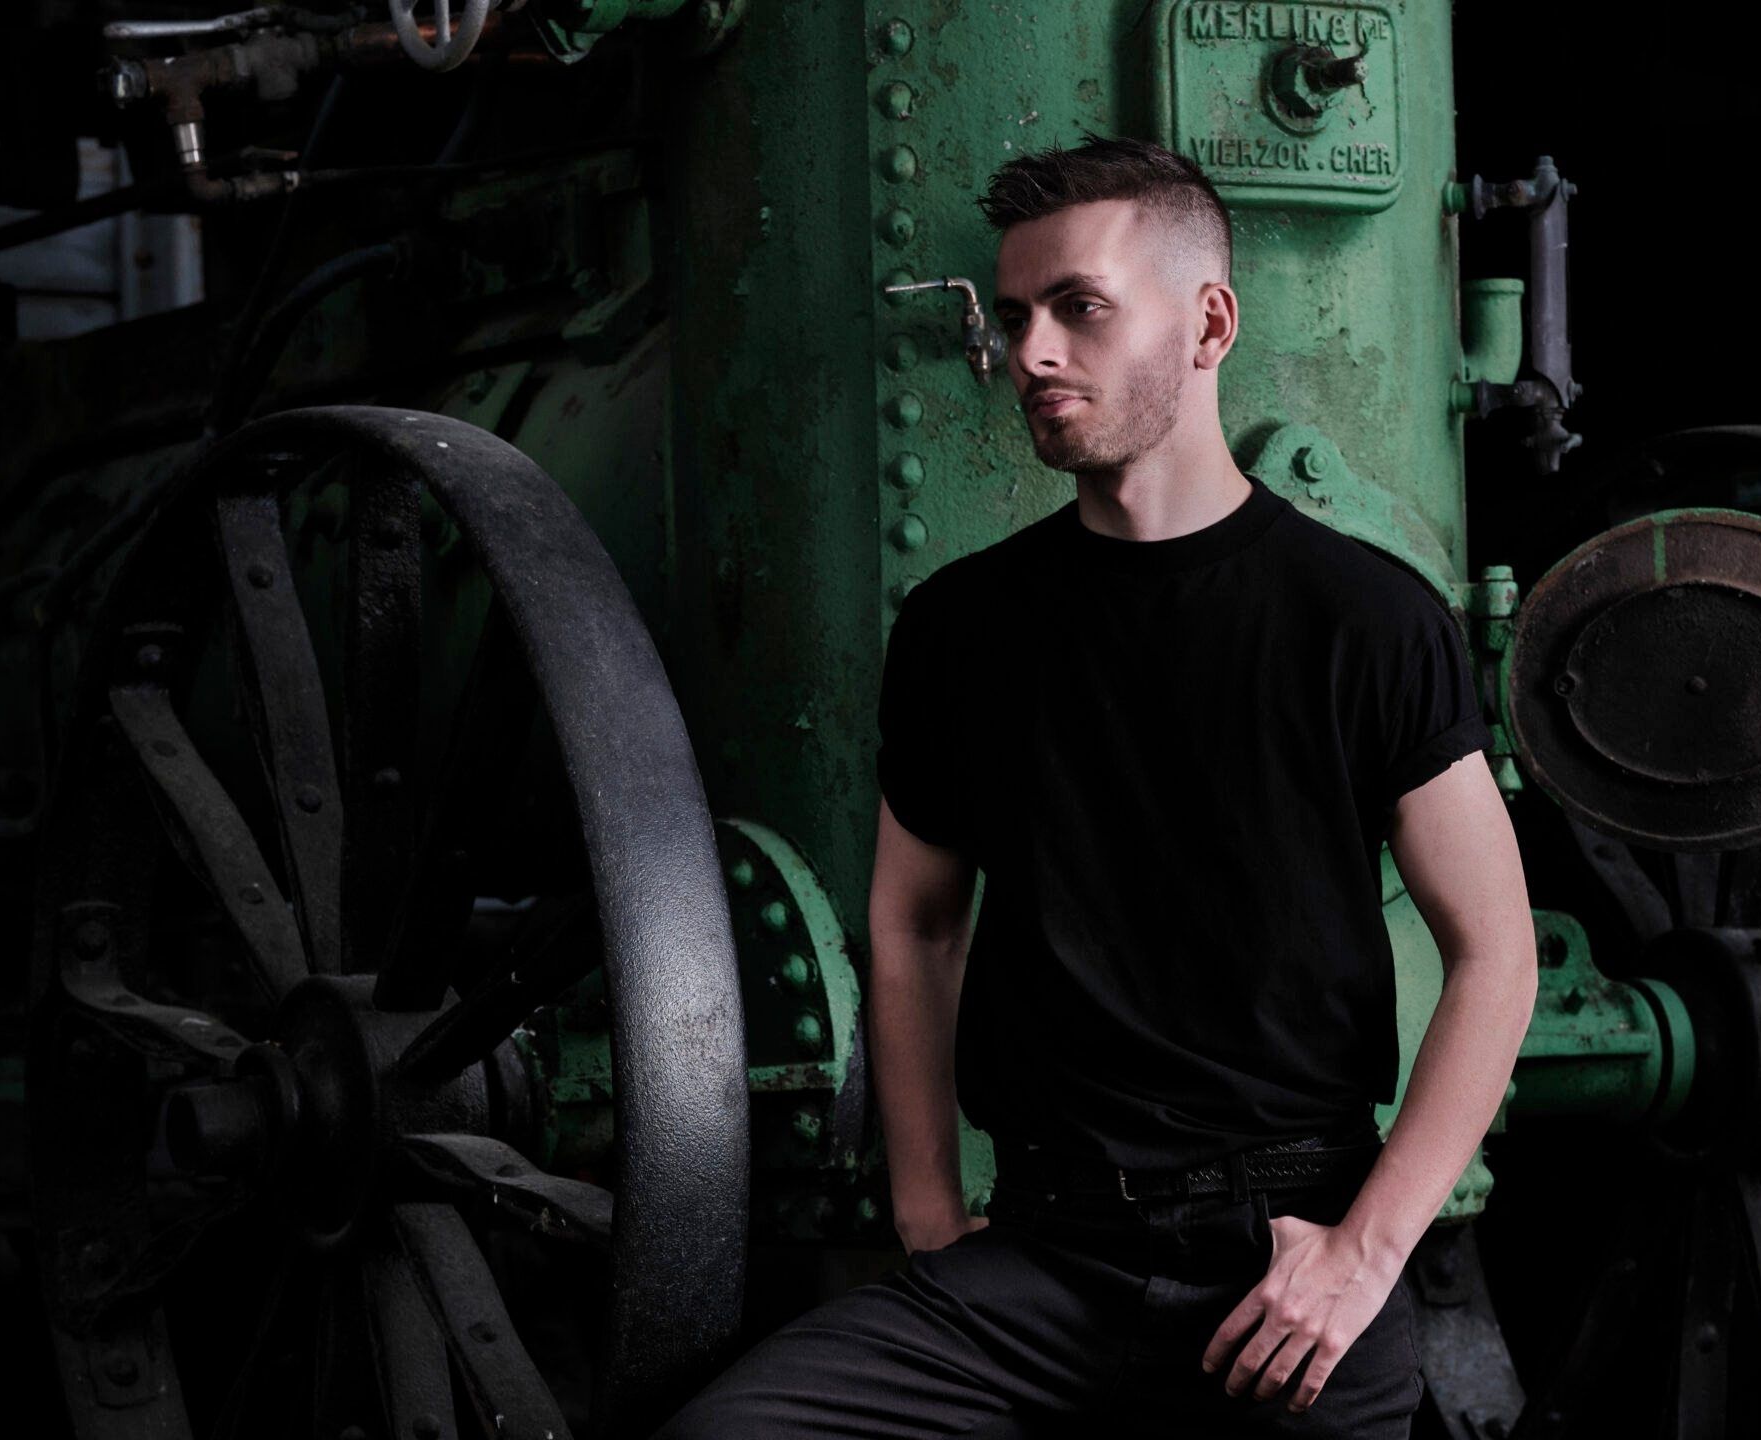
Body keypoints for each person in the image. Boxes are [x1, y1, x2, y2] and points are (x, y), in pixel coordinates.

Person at [654, 134, 1538, 1438]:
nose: (1032, 354)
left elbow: (1497, 952)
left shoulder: (1365, 621)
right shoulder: (961, 629)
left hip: (1285, 1268)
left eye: (1079, 310)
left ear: (1208, 323)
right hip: (1039, 1265)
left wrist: (1362, 1256)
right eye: (1016, 318)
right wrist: (926, 1209)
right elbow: (913, 922)